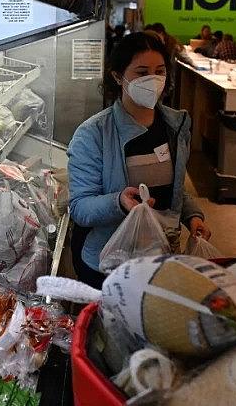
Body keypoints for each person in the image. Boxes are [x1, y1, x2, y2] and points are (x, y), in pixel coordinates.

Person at [68, 32, 210, 289]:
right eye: (142, 72)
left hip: (160, 257)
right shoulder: (93, 134)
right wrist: (118, 202)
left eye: (160, 71)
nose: (152, 80)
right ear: (117, 76)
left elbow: (173, 188)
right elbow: (80, 207)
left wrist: (193, 217)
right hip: (109, 263)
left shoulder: (175, 126)